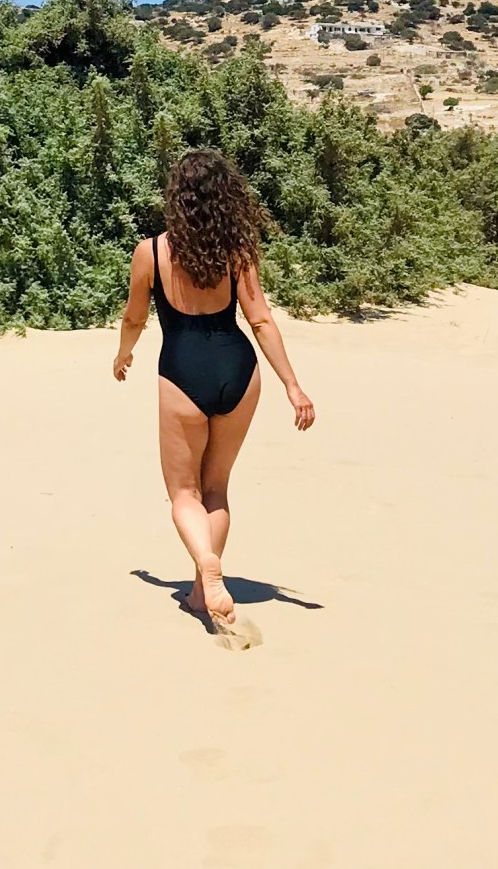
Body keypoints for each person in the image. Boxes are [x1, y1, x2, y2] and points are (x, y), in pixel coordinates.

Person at [113, 148, 315, 647]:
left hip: (182, 372)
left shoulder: (150, 252)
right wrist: (292, 385)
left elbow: (135, 317)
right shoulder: (237, 252)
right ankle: (202, 595)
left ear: (176, 198)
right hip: (239, 371)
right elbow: (260, 319)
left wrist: (124, 353)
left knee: (184, 493)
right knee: (216, 489)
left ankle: (206, 564)